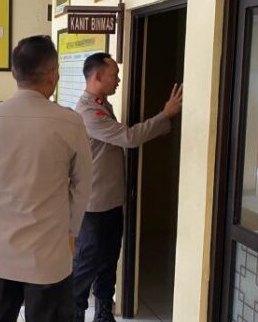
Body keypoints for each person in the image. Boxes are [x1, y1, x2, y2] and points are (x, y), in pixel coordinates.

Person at [0, 35, 93, 322]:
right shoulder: (70, 122)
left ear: (15, 73)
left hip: (1, 252)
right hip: (48, 254)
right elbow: (83, 185)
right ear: (53, 75)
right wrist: (71, 231)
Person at [72, 52, 182, 322]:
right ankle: (73, 314)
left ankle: (103, 314)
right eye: (114, 75)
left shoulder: (102, 105)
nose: (119, 80)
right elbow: (129, 138)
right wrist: (165, 115)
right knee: (86, 265)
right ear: (98, 77)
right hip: (94, 206)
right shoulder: (88, 112)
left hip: (110, 202)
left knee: (108, 263)